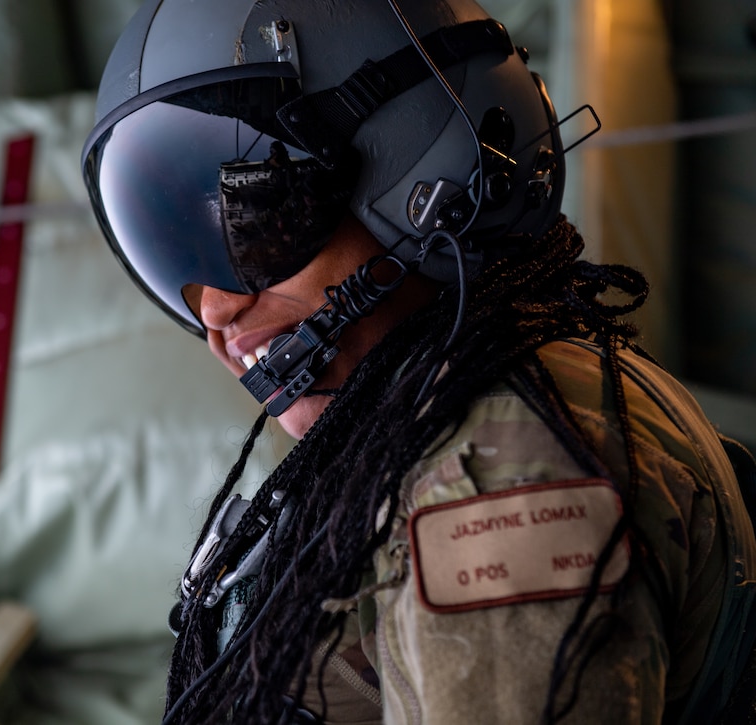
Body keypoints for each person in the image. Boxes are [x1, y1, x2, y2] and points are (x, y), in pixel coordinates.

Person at [81, 0, 756, 722]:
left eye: (257, 230)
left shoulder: (503, 472)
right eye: (179, 262)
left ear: (425, 181)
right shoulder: (443, 427)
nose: (215, 311)